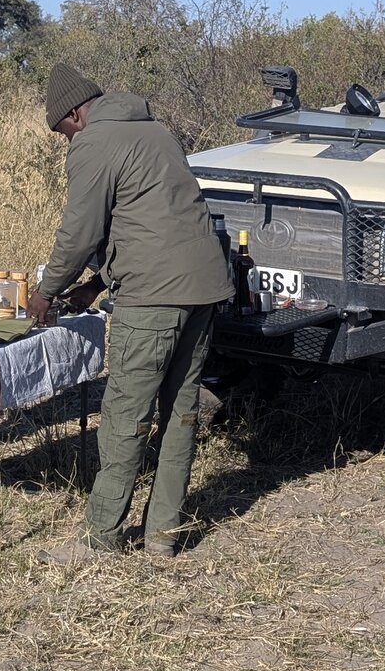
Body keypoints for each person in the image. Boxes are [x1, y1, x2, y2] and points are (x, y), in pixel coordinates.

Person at [27, 64, 232, 564]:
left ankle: (101, 536)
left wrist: (45, 291)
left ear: (74, 113)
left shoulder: (94, 141)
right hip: (204, 287)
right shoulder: (155, 131)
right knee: (180, 411)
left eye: (63, 132)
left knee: (124, 415)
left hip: (154, 296)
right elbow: (152, 219)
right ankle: (163, 533)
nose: (66, 141)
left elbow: (80, 232)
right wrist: (96, 284)